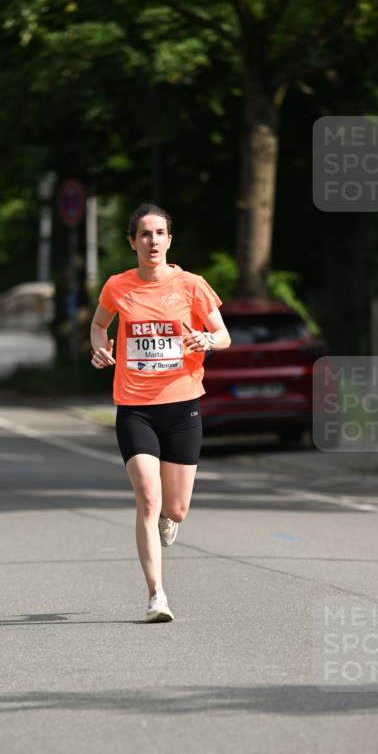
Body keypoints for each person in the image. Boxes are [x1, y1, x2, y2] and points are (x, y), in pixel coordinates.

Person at [90, 203, 231, 622]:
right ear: (133, 242)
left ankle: (171, 520)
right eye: (145, 234)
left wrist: (205, 340)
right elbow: (100, 324)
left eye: (160, 233)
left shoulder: (191, 285)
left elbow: (223, 335)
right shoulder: (118, 286)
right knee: (148, 498)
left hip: (182, 405)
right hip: (135, 409)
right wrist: (98, 345)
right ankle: (157, 596)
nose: (153, 241)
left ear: (170, 240)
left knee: (176, 508)